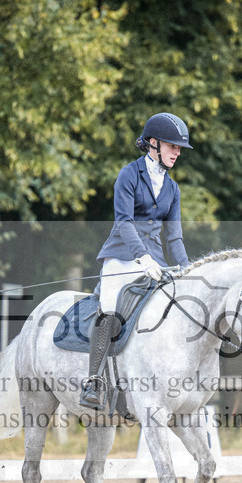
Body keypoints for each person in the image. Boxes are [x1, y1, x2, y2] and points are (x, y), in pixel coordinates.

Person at [78, 112, 194, 410]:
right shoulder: (129, 174)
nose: (177, 153)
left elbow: (174, 238)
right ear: (153, 144)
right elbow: (124, 221)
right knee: (110, 308)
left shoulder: (172, 189)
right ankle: (94, 381)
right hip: (122, 255)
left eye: (179, 149)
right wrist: (141, 256)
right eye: (172, 146)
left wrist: (188, 269)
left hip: (156, 262)